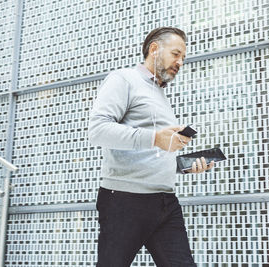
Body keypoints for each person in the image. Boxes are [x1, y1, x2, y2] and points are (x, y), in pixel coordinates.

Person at [88, 27, 215, 267]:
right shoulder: (123, 79)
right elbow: (97, 131)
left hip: (165, 202)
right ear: (154, 49)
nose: (180, 62)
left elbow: (152, 152)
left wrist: (184, 166)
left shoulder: (160, 94)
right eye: (176, 54)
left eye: (183, 58)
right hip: (125, 201)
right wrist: (155, 138)